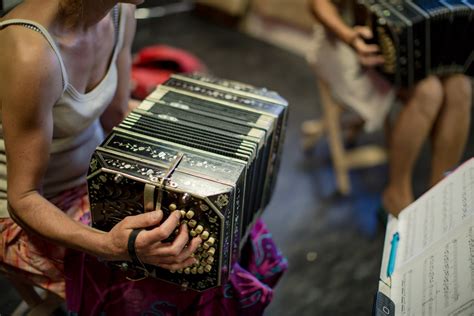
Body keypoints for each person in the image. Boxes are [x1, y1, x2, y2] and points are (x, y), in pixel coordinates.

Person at [0, 1, 287, 314]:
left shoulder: (119, 12)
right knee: (179, 281)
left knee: (226, 238)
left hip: (100, 173)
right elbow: (23, 198)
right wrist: (108, 246)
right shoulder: (29, 52)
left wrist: (208, 140)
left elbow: (117, 115)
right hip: (26, 212)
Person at [310, 0, 472, 216]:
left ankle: (441, 190)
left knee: (461, 88)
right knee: (429, 92)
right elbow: (318, 4)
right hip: (354, 45)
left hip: (416, 48)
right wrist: (350, 37)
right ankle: (396, 192)